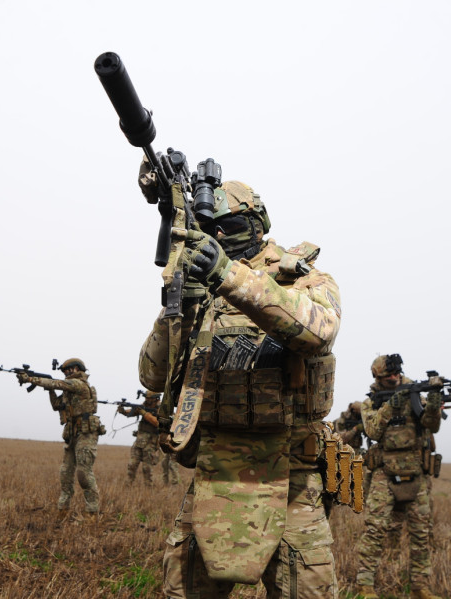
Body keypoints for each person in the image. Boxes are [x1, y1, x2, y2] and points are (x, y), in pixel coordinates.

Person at [138, 175, 343, 598]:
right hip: (216, 472)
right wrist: (180, 302)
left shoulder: (301, 277)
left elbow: (319, 331)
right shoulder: (201, 290)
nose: (219, 237)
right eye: (210, 228)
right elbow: (151, 376)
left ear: (257, 224)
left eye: (228, 227)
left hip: (291, 477)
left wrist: (228, 274)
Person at [354, 354, 443, 599]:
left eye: (396, 373)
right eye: (388, 375)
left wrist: (433, 404)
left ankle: (420, 587)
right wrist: (391, 405)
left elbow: (432, 426)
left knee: (421, 532)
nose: (394, 377)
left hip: (415, 470)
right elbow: (373, 430)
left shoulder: (415, 394)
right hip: (384, 471)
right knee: (375, 529)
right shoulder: (370, 403)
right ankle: (365, 585)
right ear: (377, 377)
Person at [17, 358, 103, 522]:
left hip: (86, 433)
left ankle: (92, 513)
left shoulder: (78, 384)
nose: (65, 373)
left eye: (68, 370)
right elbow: (57, 405)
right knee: (65, 473)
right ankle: (63, 510)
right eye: (63, 371)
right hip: (72, 432)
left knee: (84, 473)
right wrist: (49, 390)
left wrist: (30, 379)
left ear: (77, 369)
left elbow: (57, 383)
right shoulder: (68, 390)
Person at [118, 390, 162, 485]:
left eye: (148, 398)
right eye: (146, 398)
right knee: (132, 465)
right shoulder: (145, 405)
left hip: (151, 442)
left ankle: (148, 487)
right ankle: (128, 485)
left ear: (155, 398)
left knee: (147, 468)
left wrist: (144, 414)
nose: (146, 399)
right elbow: (134, 411)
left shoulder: (161, 407)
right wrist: (123, 411)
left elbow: (158, 423)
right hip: (140, 440)